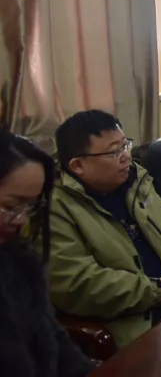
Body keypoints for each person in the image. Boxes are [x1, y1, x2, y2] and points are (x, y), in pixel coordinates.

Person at [48, 110, 161, 347]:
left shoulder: (134, 181)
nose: (126, 157)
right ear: (78, 165)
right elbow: (78, 284)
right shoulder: (56, 208)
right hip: (138, 324)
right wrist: (155, 291)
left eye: (125, 145)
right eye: (114, 152)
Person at [0, 129, 93, 377]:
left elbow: (53, 337)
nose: (21, 220)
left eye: (29, 207)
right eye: (10, 206)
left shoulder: (20, 259)